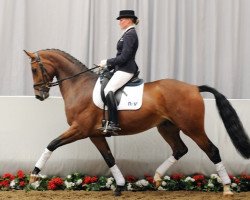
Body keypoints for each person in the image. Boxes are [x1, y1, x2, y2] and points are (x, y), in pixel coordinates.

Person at [99, 10, 139, 132]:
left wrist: (107, 62)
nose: (119, 22)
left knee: (108, 89)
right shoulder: (127, 34)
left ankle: (114, 123)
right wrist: (109, 67)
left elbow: (124, 57)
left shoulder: (130, 34)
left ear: (129, 20)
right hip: (121, 68)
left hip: (126, 69)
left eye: (121, 20)